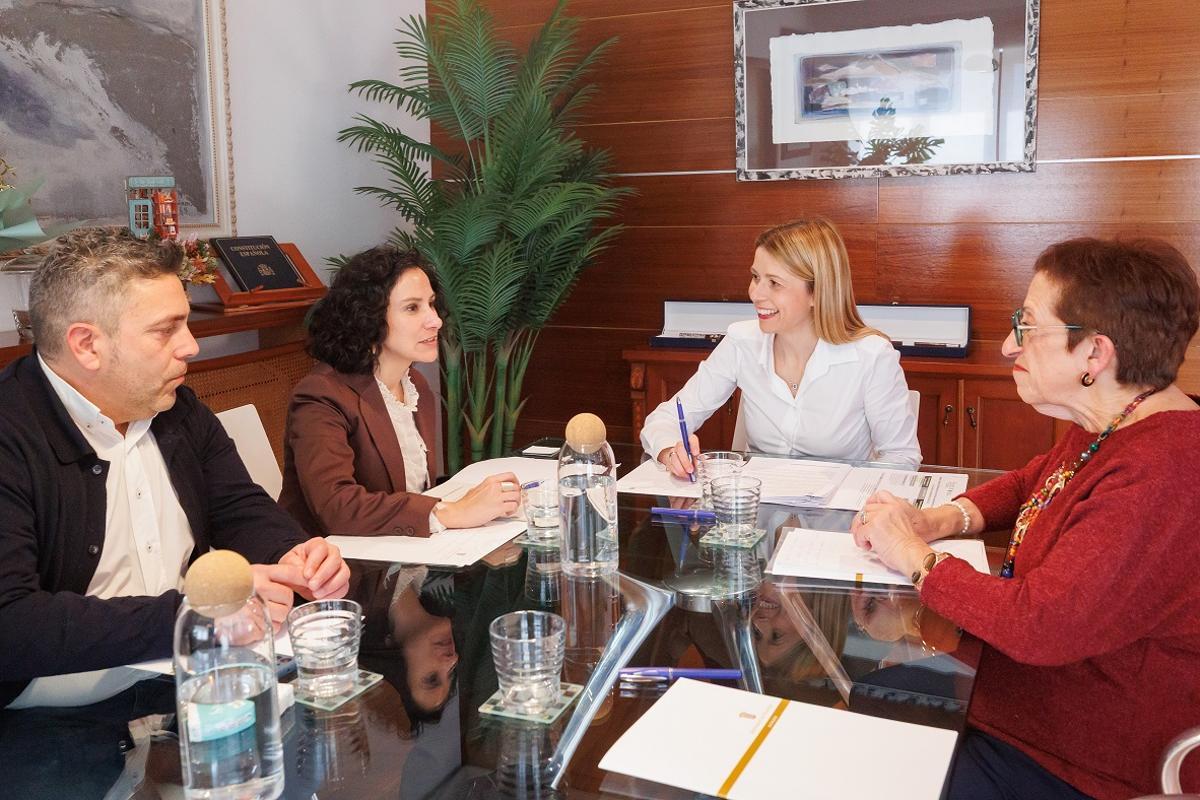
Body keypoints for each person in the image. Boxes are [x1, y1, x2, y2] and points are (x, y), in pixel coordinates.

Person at [850, 237, 1200, 800]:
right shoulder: (1115, 420)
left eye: (1029, 326)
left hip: (1086, 758)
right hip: (1033, 695)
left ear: (1095, 355)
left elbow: (1039, 624)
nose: (1011, 346)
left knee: (853, 759)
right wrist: (941, 519)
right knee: (863, 699)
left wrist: (915, 558)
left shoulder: (1164, 476)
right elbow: (1035, 481)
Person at [0, 227, 349, 710]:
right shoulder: (11, 434)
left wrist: (294, 555)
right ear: (86, 345)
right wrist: (195, 615)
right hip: (53, 709)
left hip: (186, 675)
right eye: (166, 330)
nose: (191, 346)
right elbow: (12, 623)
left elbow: (239, 507)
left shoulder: (176, 408)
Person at [642, 218, 920, 476]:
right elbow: (666, 418)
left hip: (839, 521)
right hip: (758, 516)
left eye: (774, 283)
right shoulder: (742, 342)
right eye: (755, 277)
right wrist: (670, 451)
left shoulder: (871, 356)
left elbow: (901, 456)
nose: (756, 293)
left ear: (817, 292)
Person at [280, 246, 519, 538]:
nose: (435, 320)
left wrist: (479, 504)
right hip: (331, 568)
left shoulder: (416, 385)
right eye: (412, 307)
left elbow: (413, 490)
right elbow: (338, 508)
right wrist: (453, 511)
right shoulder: (321, 395)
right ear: (368, 318)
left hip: (399, 558)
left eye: (431, 304)